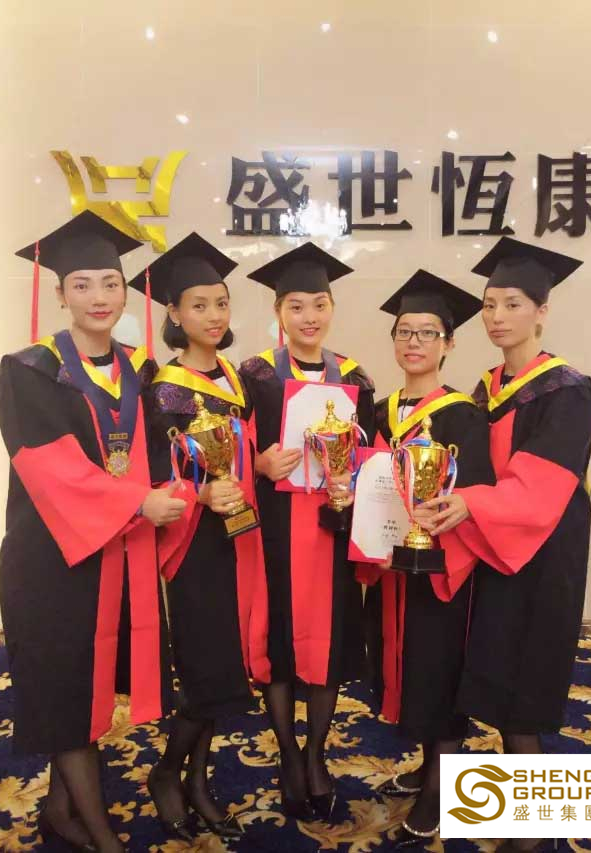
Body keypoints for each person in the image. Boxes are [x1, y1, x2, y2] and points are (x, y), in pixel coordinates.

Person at [0, 210, 184, 852]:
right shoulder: (27, 371)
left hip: (117, 552)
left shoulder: (142, 371)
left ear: (126, 291)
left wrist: (185, 487)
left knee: (88, 684)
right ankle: (102, 835)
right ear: (59, 294)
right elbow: (50, 470)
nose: (99, 297)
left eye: (110, 283)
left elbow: (167, 451)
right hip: (52, 559)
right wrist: (138, 504)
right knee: (67, 687)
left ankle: (59, 811)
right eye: (82, 285)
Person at [419, 238, 591, 853]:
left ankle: (535, 832)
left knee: (524, 686)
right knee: (494, 671)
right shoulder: (485, 387)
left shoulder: (567, 388)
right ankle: (507, 810)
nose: (496, 316)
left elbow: (541, 483)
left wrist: (472, 503)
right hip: (493, 547)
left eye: (512, 304)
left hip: (543, 552)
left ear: (541, 311)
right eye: (490, 304)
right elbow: (468, 467)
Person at [129, 234, 270, 841]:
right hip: (194, 544)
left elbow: (238, 458)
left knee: (223, 668)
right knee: (206, 665)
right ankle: (168, 773)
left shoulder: (234, 378)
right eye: (199, 305)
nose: (214, 316)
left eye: (221, 303)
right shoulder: (164, 388)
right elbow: (151, 473)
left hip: (237, 537)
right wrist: (199, 495)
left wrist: (258, 466)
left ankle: (195, 780)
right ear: (174, 313)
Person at [356, 270, 494, 846]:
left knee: (439, 672)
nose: (414, 342)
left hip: (441, 571)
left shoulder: (462, 415)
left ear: (449, 343)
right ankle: (425, 765)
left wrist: (442, 523)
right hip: (392, 568)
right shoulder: (379, 411)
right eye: (404, 331)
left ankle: (441, 789)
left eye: (428, 333)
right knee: (408, 669)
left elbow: (477, 493)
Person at [239, 242, 375, 821]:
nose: (309, 317)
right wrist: (258, 463)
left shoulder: (356, 378)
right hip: (275, 530)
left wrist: (354, 476)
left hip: (330, 530)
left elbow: (372, 451)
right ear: (278, 312)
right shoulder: (253, 376)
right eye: (296, 306)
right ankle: (287, 751)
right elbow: (233, 450)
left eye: (319, 304)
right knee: (278, 642)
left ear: (332, 308)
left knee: (329, 643)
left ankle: (316, 752)